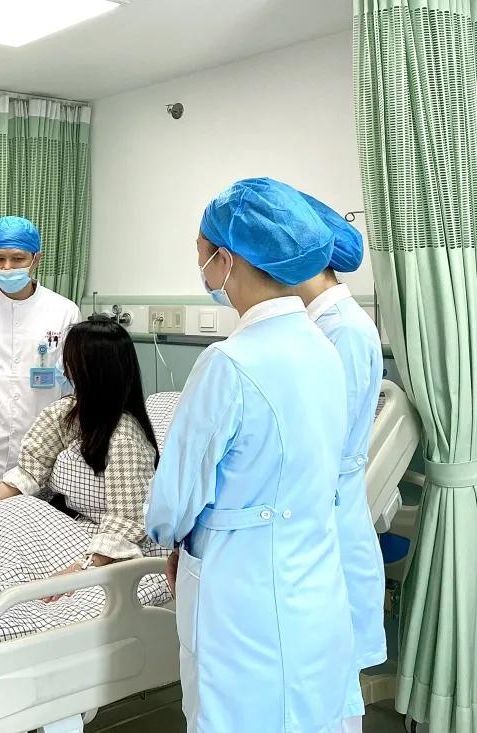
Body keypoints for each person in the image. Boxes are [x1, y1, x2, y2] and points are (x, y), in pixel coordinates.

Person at [144, 178, 354, 733]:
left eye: (201, 254)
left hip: (239, 587)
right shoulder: (325, 350)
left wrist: (173, 539)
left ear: (226, 260)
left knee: (236, 715)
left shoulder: (228, 363)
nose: (201, 268)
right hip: (313, 577)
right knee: (308, 713)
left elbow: (174, 499)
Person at [0, 316, 159, 593]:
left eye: (70, 360)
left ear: (93, 369)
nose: (65, 367)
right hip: (57, 521)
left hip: (98, 542)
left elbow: (126, 520)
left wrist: (82, 569)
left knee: (2, 581)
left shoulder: (125, 439)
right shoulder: (65, 414)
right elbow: (28, 473)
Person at [294, 193, 386, 733]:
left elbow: (323, 444)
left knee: (331, 695)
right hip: (313, 519)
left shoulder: (343, 331)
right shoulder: (313, 324)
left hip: (328, 521)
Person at [0, 216, 82, 492]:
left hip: (42, 442)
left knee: (33, 516)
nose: (7, 267)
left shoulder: (64, 311)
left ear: (36, 259)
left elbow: (71, 386)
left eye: (18, 259)